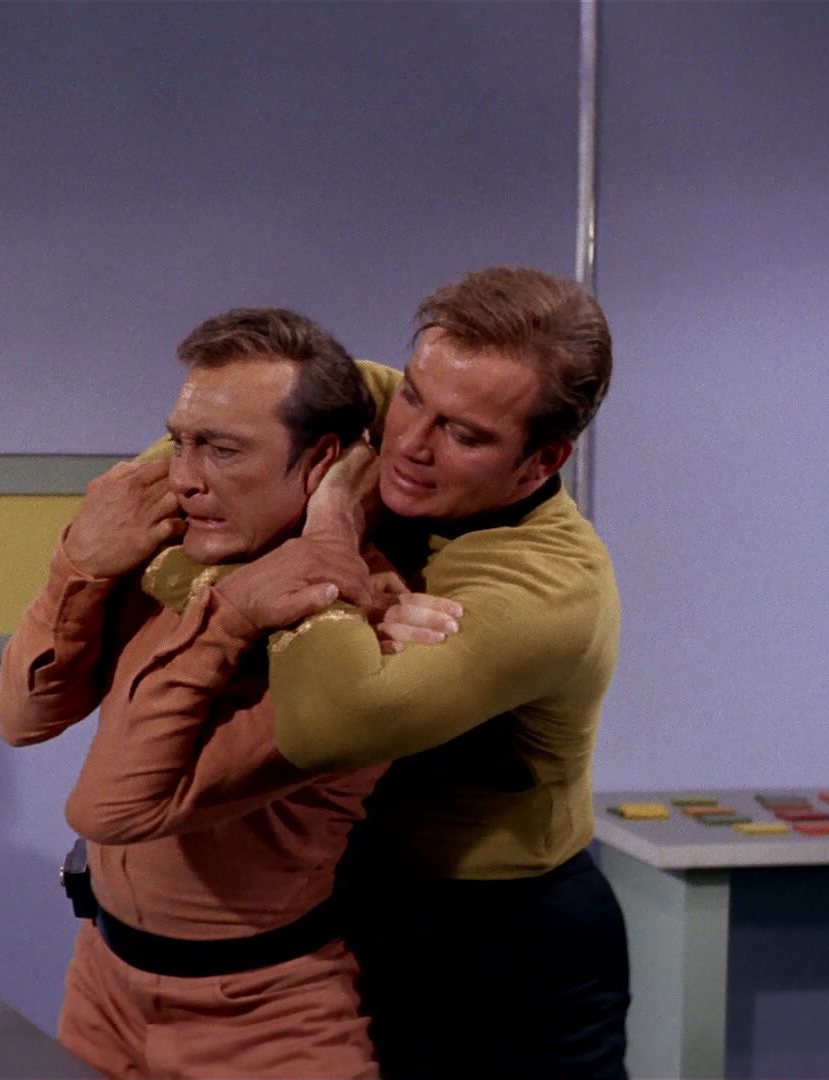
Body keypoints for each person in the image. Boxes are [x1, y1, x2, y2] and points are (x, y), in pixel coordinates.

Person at [185, 266, 628, 1078]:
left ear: (543, 460)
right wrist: (359, 607)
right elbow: (172, 497)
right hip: (348, 899)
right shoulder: (376, 403)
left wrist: (325, 532)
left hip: (501, 941)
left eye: (466, 436)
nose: (411, 443)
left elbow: (325, 727)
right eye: (417, 396)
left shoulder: (552, 585)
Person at [0, 308, 455, 1079]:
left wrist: (231, 616)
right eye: (179, 441)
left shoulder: (356, 626)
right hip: (104, 985)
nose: (184, 477)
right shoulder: (175, 556)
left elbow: (112, 807)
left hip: (265, 1022)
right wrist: (80, 563)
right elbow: (23, 716)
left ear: (320, 463)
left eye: (222, 449)